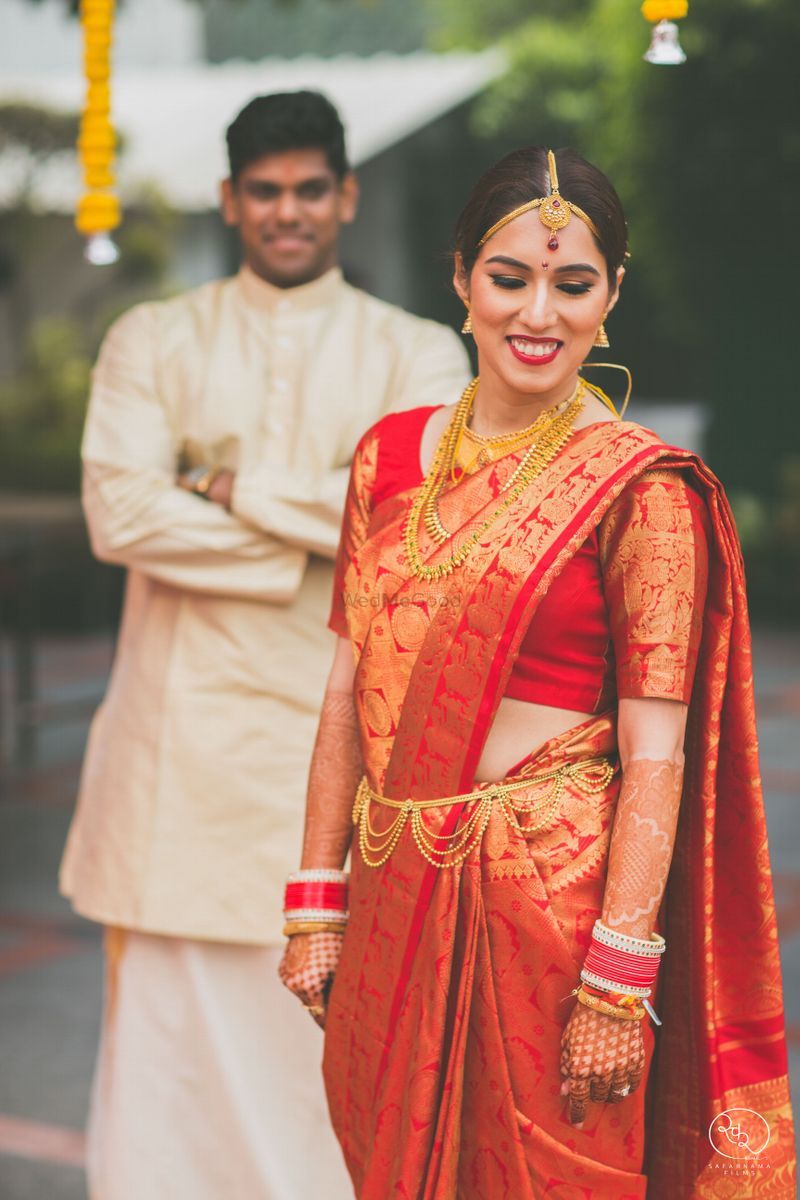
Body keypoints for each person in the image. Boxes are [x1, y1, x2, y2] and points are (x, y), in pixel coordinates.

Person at [279, 145, 797, 1198]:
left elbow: (656, 751)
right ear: (459, 277)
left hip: (549, 909)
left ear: (609, 297)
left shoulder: (637, 490)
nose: (538, 313)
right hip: (393, 883)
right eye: (509, 278)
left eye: (572, 284)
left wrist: (617, 972)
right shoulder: (385, 456)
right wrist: (313, 901)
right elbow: (345, 690)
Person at [59, 90, 469, 1200]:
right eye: (263, 192)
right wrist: (312, 539)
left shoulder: (418, 352)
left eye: (307, 190)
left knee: (325, 1076)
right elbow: (120, 518)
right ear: (229, 201)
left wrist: (223, 487)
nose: (286, 212)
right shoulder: (151, 337)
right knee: (169, 1082)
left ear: (346, 195)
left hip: (338, 771)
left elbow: (412, 523)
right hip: (175, 765)